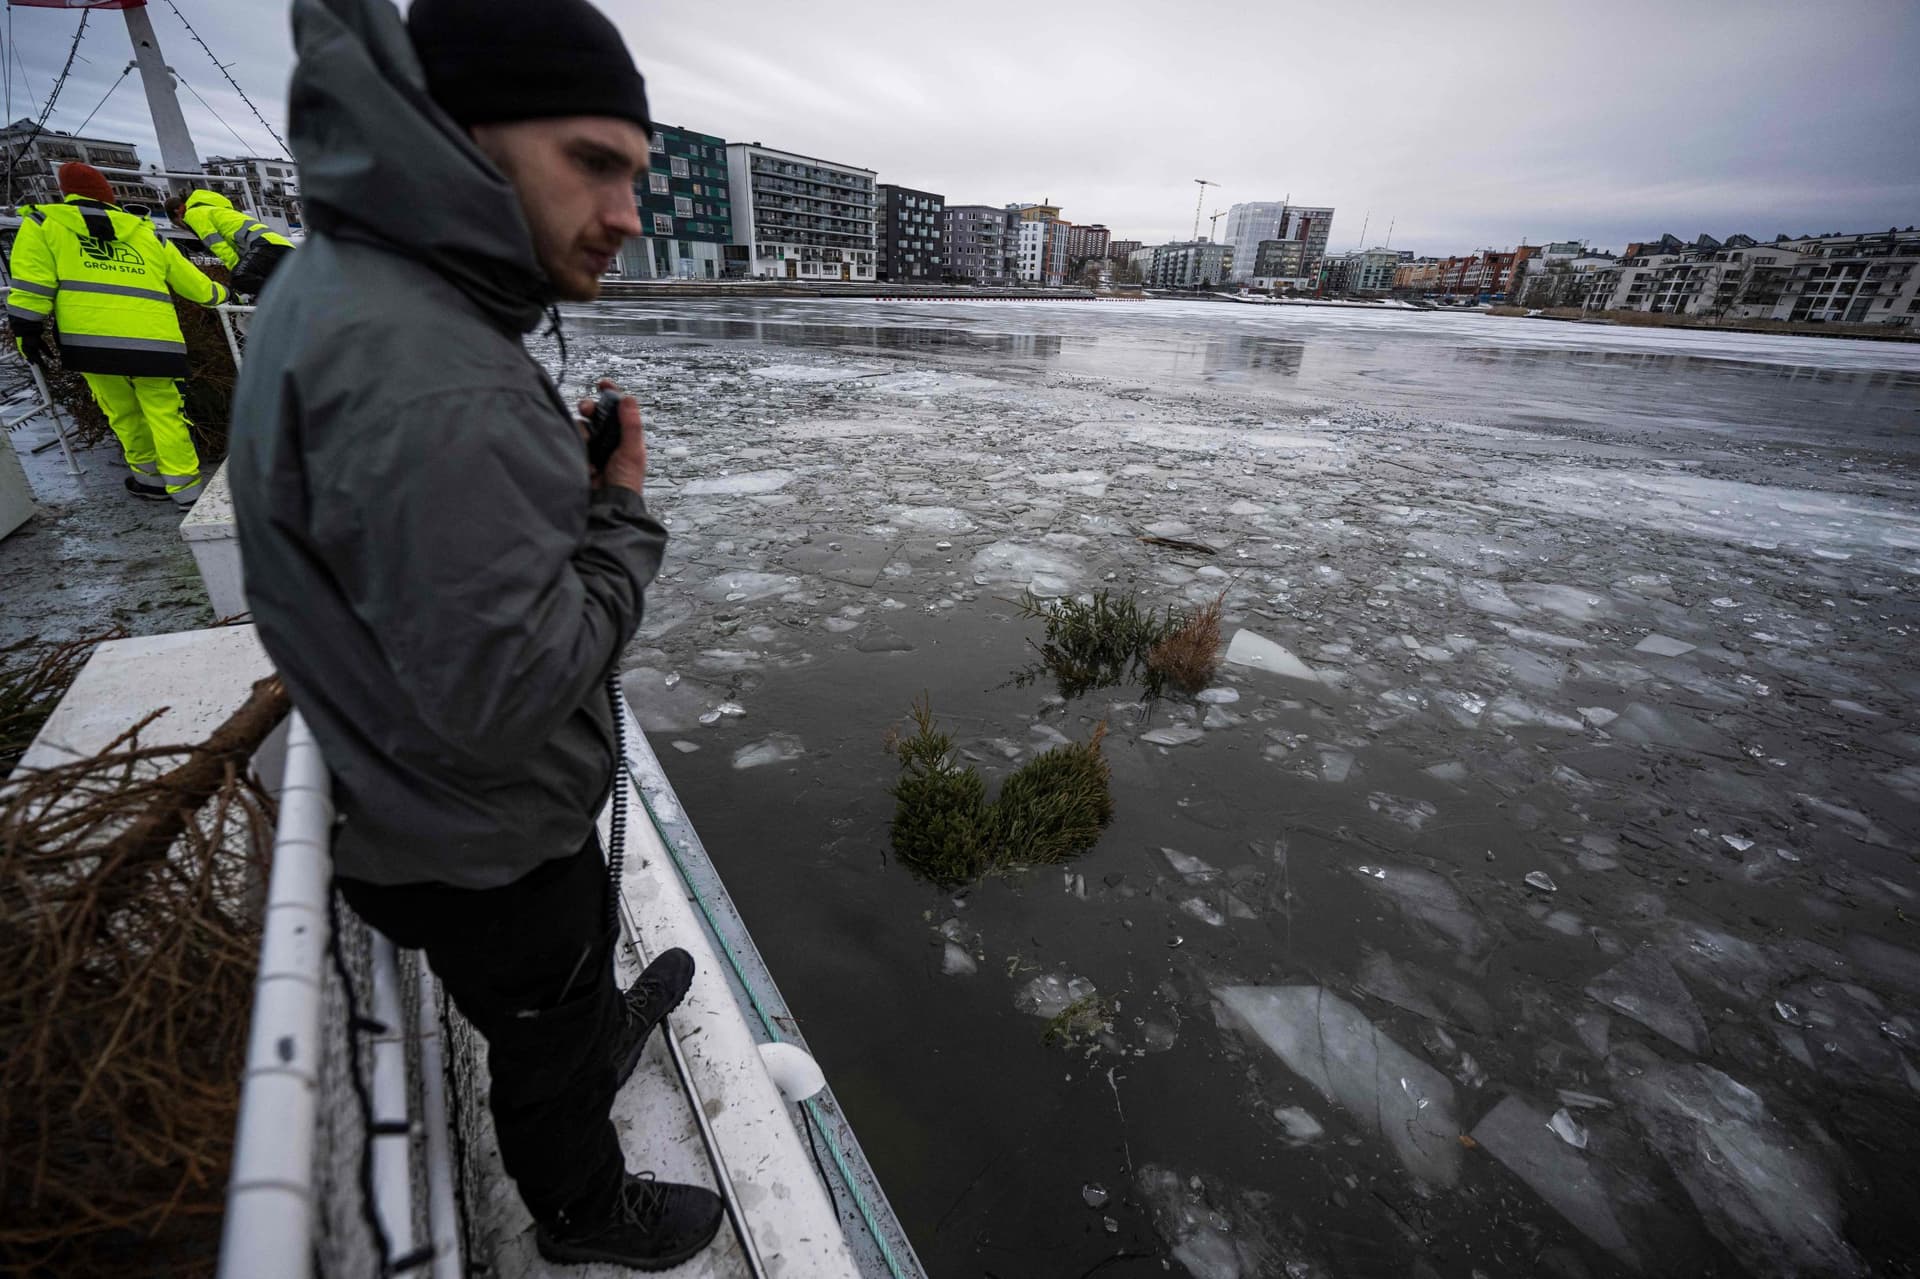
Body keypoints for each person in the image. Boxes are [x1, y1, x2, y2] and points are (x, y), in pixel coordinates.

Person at [226, 0, 722, 1268]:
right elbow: (509, 696)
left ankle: (593, 1026)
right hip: (478, 837)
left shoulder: (370, 296)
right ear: (464, 134)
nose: (626, 214)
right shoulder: (430, 369)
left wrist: (532, 491)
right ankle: (580, 1209)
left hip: (430, 802)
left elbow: (424, 548)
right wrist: (616, 514)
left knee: (563, 989)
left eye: (635, 174)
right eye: (593, 163)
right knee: (540, 1041)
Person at [6, 162, 229, 506]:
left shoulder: (43, 225)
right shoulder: (146, 232)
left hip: (91, 341)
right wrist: (227, 296)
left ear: (66, 193)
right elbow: (197, 286)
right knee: (166, 413)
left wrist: (26, 332)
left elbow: (32, 285)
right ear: (109, 195)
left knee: (122, 413)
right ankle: (187, 491)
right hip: (155, 340)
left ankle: (150, 480)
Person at [167, 188, 295, 295]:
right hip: (278, 244)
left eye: (180, 224)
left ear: (178, 211)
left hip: (264, 245)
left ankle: (287, 297)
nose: (185, 226)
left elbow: (218, 245)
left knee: (240, 278)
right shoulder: (215, 210)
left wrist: (235, 270)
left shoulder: (193, 214)